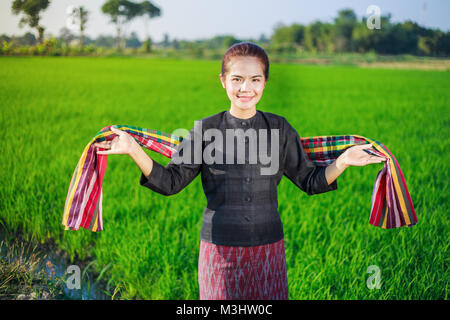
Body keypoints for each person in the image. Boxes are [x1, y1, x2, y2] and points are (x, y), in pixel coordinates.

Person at [93, 42, 385, 300]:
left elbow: (310, 180)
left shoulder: (280, 129)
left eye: (255, 79)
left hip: (269, 249)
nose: (246, 88)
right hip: (220, 249)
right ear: (223, 81)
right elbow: (170, 182)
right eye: (237, 79)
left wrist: (343, 161)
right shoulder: (205, 130)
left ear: (265, 82)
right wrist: (134, 150)